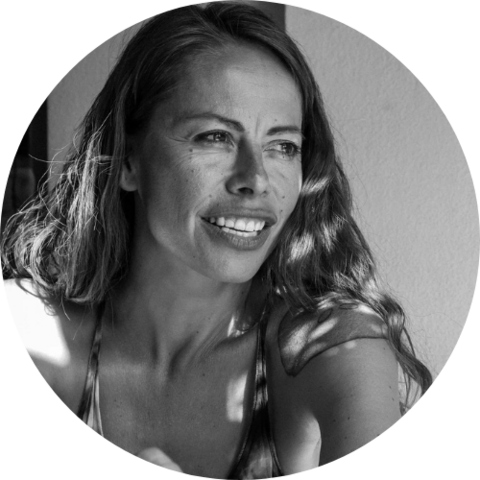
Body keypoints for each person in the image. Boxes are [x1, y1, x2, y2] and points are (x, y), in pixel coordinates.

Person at [1, 3, 432, 478]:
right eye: (214, 137)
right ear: (127, 160)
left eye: (283, 146)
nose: (256, 179)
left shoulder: (327, 344)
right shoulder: (32, 327)